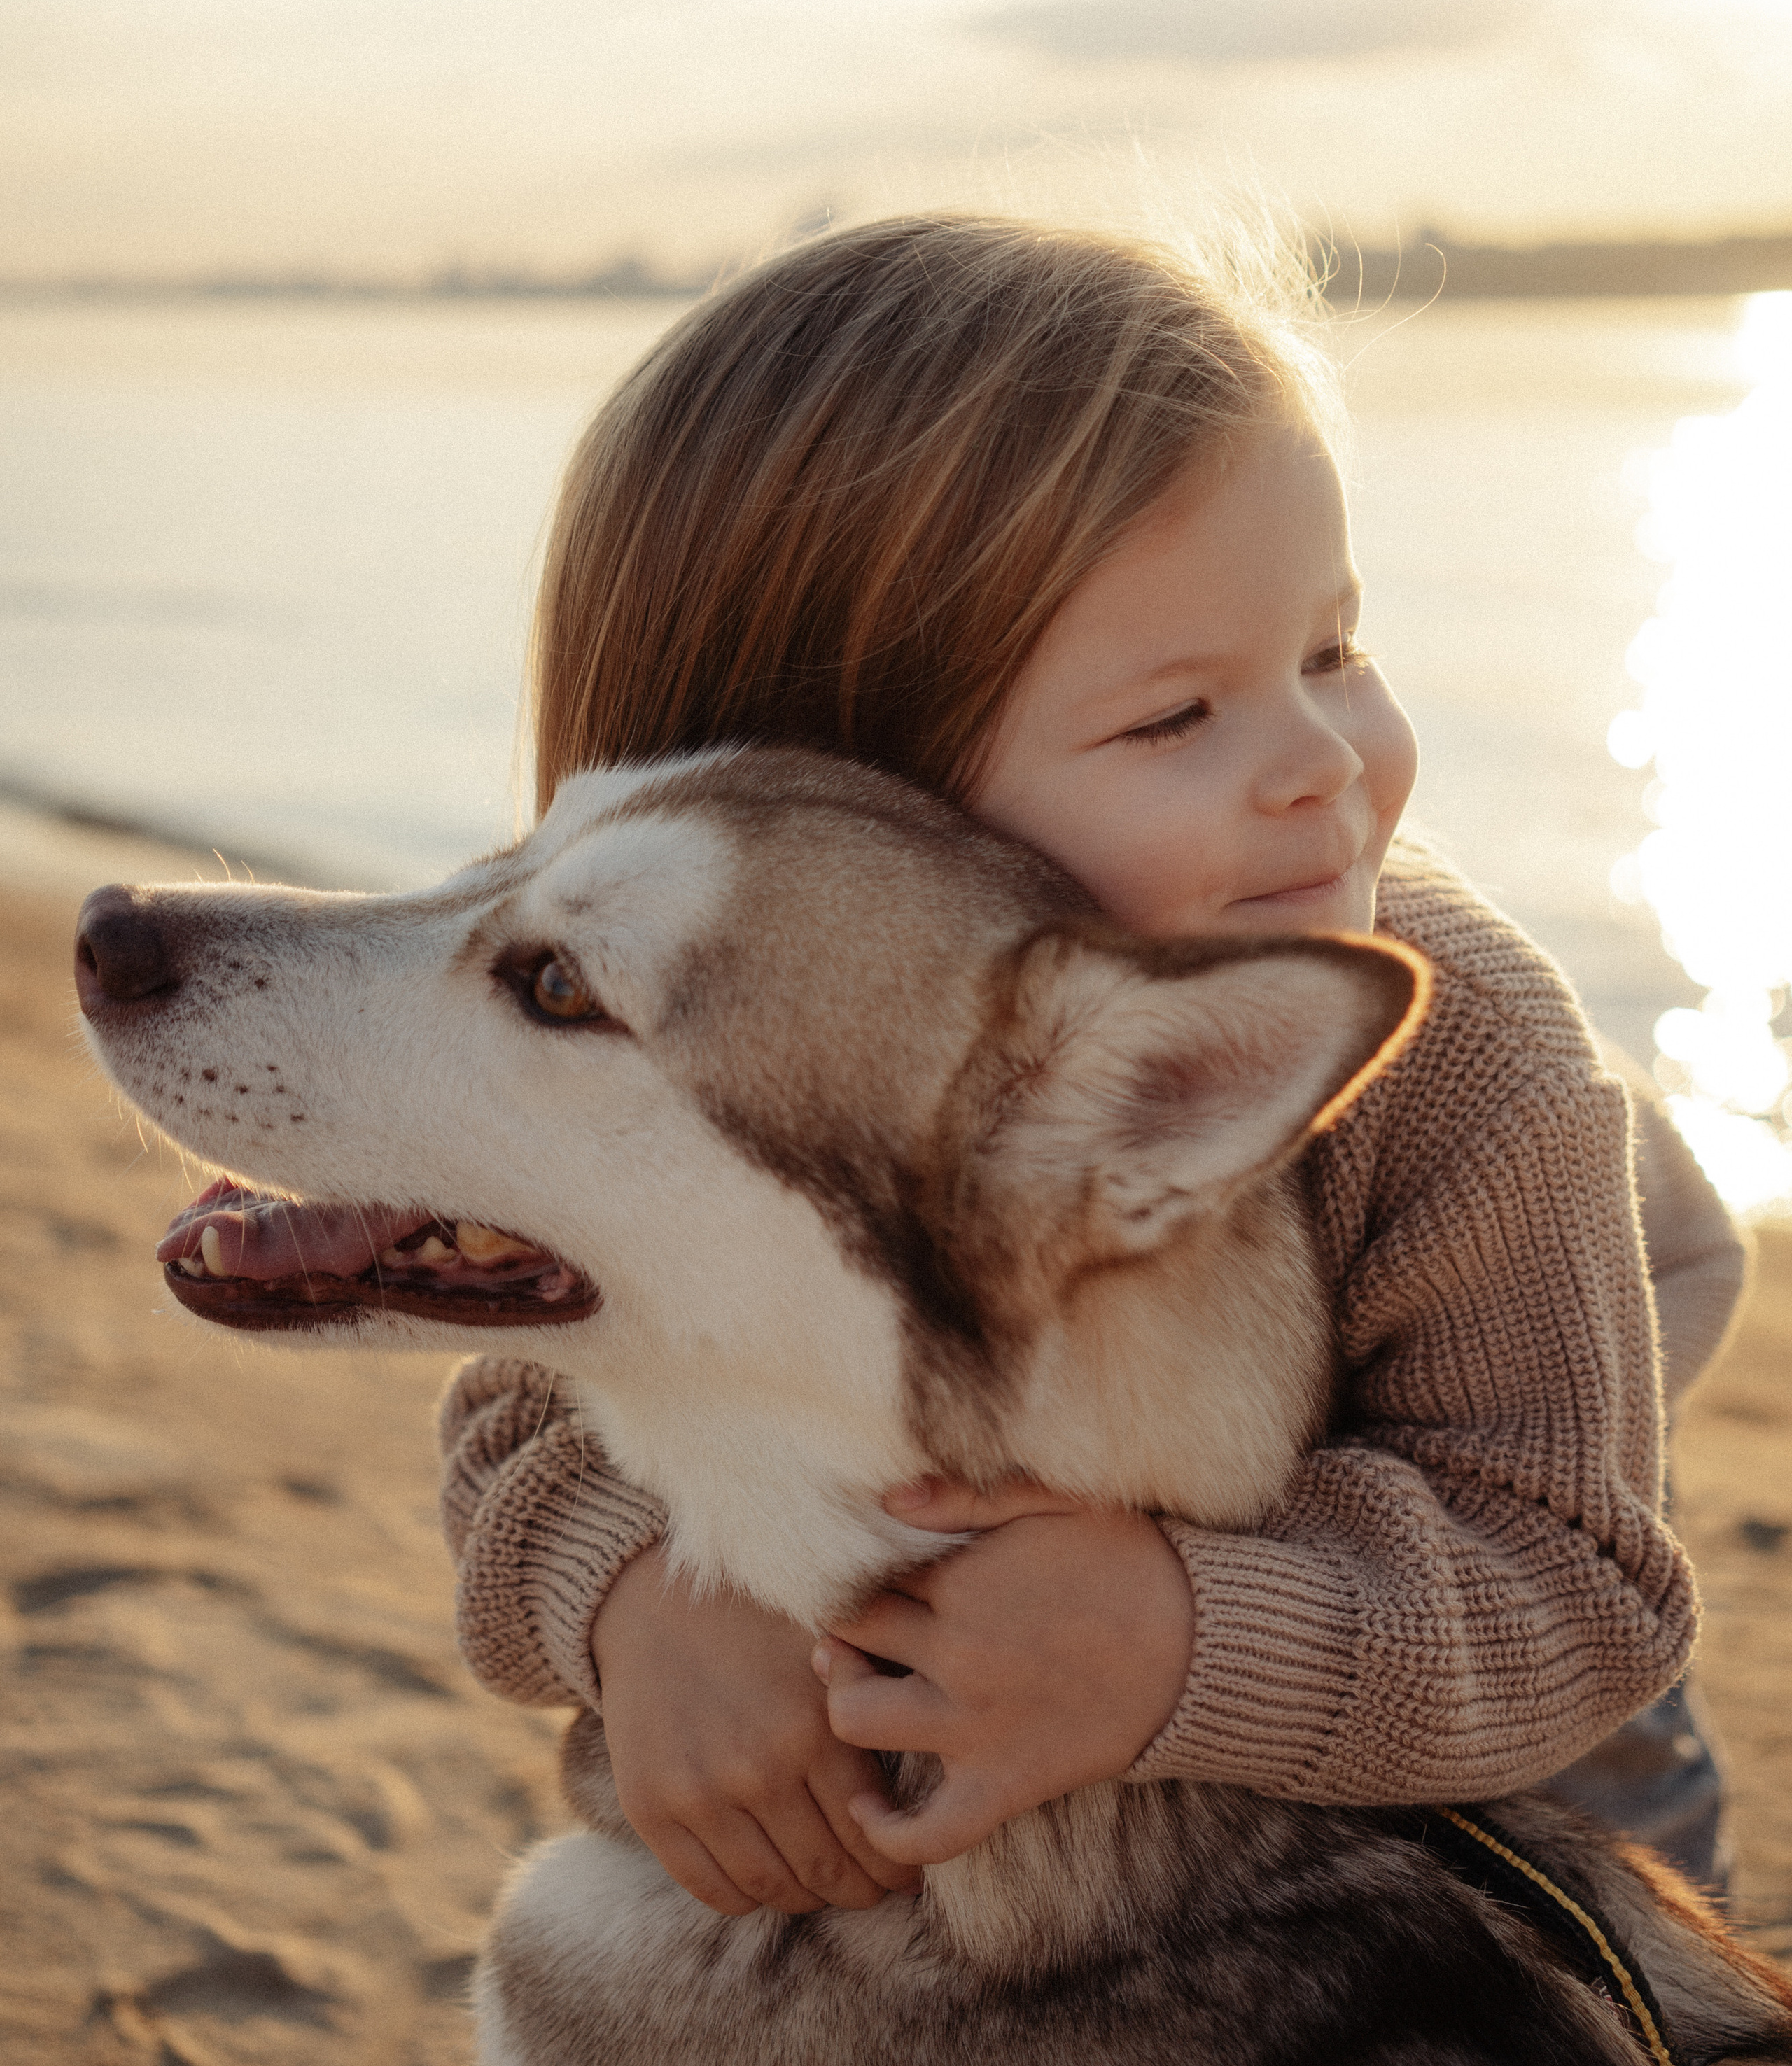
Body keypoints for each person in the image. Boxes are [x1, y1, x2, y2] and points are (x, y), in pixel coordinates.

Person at [438, 211, 1746, 1923]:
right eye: (1172, 719)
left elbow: (1566, 1584)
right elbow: (515, 1410)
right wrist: (639, 1595)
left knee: (1615, 2007)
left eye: (1331, 652)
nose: (1321, 765)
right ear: (828, 820)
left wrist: (1180, 1631)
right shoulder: (680, 1074)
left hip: (1484, 1644)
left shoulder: (1469, 1065)